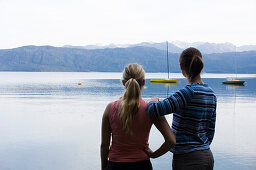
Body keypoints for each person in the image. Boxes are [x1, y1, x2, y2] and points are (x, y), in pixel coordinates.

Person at [147, 47, 217, 170]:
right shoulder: (211, 94)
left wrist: (153, 100)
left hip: (187, 159)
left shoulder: (187, 93)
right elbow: (210, 131)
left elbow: (154, 110)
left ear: (181, 68)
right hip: (207, 156)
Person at [101, 63, 176, 170]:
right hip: (142, 165)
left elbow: (104, 145)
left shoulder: (110, 108)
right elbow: (171, 141)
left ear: (123, 83)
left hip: (115, 165)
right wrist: (154, 154)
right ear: (144, 82)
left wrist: (104, 167)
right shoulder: (150, 109)